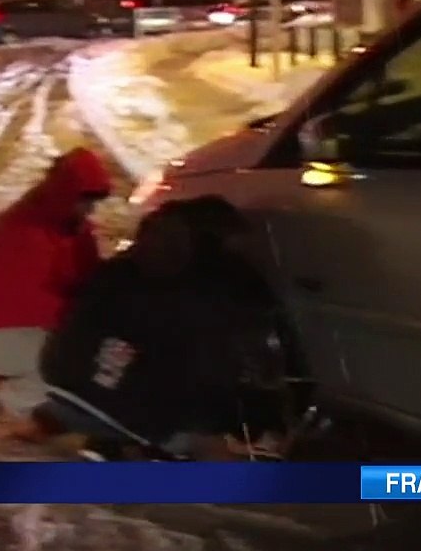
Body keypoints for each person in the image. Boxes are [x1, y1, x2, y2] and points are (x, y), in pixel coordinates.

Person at [39, 197, 285, 460]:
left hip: (65, 388)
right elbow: (231, 366)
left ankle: (106, 445)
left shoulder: (117, 270)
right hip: (138, 417)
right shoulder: (222, 287)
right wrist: (258, 418)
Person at [0, 147, 112, 439]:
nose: (90, 210)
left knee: (88, 353)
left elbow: (90, 275)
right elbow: (28, 299)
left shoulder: (72, 227)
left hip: (35, 324)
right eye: (86, 201)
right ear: (68, 194)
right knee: (70, 362)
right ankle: (18, 407)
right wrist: (84, 321)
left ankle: (44, 408)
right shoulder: (23, 232)